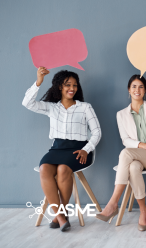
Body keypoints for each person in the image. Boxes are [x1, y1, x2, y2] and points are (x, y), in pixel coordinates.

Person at [22, 67, 101, 232]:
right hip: (57, 148)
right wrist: (38, 81)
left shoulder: (85, 107)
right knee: (44, 168)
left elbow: (97, 132)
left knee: (64, 169)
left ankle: (59, 216)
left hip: (79, 149)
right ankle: (61, 216)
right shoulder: (52, 107)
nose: (72, 88)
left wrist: (87, 149)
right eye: (67, 85)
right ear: (60, 87)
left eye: (74, 85)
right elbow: (27, 103)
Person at [96, 68, 146, 231]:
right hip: (138, 155)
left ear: (145, 90)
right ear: (129, 89)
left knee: (125, 153)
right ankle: (143, 211)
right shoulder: (121, 114)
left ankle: (113, 203)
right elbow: (125, 139)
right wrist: (142, 145)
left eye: (141, 87)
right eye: (134, 86)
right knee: (133, 167)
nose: (137, 90)